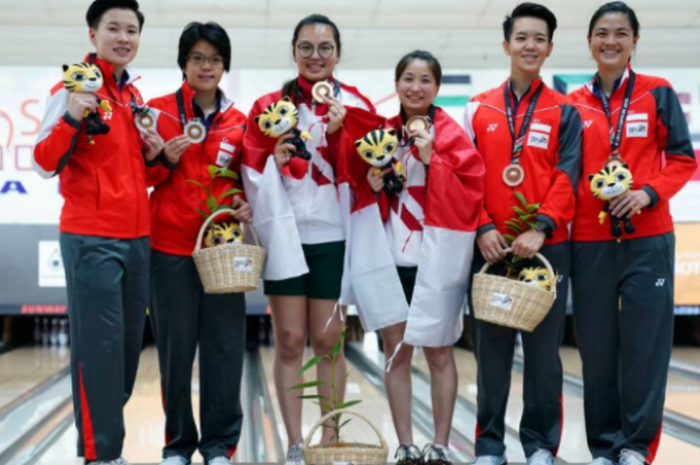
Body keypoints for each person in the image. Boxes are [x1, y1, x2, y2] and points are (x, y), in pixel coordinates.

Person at [31, 1, 162, 464]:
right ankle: (101, 455)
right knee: (100, 351)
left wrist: (159, 154)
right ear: (93, 35)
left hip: (137, 239)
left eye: (132, 30)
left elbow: (135, 176)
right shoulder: (70, 89)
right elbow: (44, 163)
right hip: (91, 238)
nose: (123, 37)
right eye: (114, 28)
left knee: (126, 353)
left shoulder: (132, 100)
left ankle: (102, 446)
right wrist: (70, 116)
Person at [241, 14, 374, 465]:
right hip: (285, 232)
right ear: (293, 51)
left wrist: (343, 136)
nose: (315, 56)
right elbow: (249, 172)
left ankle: (330, 437)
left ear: (338, 52)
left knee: (328, 339)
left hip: (332, 234)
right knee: (291, 340)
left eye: (325, 47)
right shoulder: (267, 104)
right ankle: (296, 443)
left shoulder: (354, 104)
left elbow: (370, 175)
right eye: (306, 47)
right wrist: (273, 162)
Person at [567, 3, 697, 464]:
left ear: (635, 42)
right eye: (602, 33)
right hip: (590, 241)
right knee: (598, 350)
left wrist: (648, 193)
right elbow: (565, 172)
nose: (611, 41)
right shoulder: (572, 103)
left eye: (622, 33)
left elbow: (683, 159)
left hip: (648, 240)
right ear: (589, 42)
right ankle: (605, 447)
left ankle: (637, 447)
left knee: (645, 348)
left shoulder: (657, 93)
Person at [342, 50, 485, 465]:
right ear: (396, 83)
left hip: (437, 257)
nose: (415, 87)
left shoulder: (452, 134)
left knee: (440, 351)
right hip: (390, 255)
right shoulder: (380, 134)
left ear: (437, 88)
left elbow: (471, 191)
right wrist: (368, 182)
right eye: (408, 78)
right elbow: (358, 189)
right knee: (395, 349)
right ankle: (405, 445)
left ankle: (439, 445)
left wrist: (430, 158)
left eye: (425, 80)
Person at [463, 3, 582, 465]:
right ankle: (490, 447)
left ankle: (539, 446)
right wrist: (483, 227)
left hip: (546, 252)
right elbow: (468, 176)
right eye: (521, 37)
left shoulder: (564, 110)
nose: (529, 46)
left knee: (544, 359)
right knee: (490, 357)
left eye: (539, 39)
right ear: (506, 45)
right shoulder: (480, 108)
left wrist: (541, 227)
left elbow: (568, 175)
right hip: (491, 250)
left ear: (549, 48)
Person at [144, 22, 252, 465]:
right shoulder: (156, 112)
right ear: (183, 64)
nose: (206, 66)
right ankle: (178, 445)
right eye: (197, 59)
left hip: (222, 253)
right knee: (175, 353)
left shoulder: (240, 122)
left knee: (225, 350)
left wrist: (245, 205)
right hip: (169, 249)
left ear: (224, 65)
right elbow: (141, 179)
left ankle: (219, 446)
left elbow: (249, 184)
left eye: (215, 59)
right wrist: (163, 160)